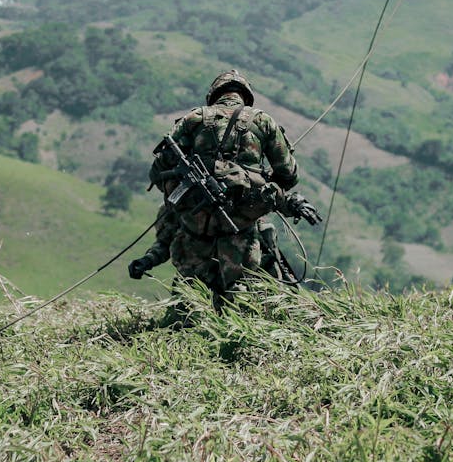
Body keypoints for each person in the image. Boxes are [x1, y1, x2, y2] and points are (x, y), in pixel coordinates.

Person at [128, 69, 318, 303]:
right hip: (240, 228)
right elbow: (288, 175)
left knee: (191, 301)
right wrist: (255, 181)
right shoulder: (262, 121)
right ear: (245, 97)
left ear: (214, 95)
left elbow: (158, 171)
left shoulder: (193, 119)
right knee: (244, 297)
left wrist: (191, 187)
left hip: (195, 229)